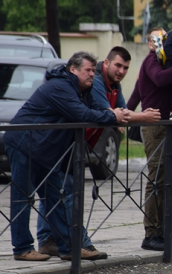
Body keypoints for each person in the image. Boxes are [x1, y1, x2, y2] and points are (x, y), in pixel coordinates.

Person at [37, 46, 162, 259]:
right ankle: (75, 243)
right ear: (107, 63)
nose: (122, 71)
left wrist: (127, 116)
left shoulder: (114, 84)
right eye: (118, 65)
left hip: (79, 142)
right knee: (65, 192)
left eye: (125, 68)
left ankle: (50, 239)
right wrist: (142, 118)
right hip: (65, 140)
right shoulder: (96, 82)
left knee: (60, 191)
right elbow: (109, 113)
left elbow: (121, 111)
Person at [4, 51, 130, 261]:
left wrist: (115, 114)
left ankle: (69, 248)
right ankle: (22, 248)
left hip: (46, 150)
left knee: (55, 198)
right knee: (23, 198)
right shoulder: (60, 87)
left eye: (93, 70)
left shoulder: (82, 89)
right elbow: (82, 114)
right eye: (88, 70)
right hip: (25, 143)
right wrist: (112, 115)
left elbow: (98, 108)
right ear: (73, 69)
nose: (92, 74)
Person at [127, 27, 172, 252]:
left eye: (165, 39)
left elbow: (138, 90)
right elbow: (157, 80)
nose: (162, 42)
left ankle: (165, 232)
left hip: (169, 125)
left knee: (169, 179)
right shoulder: (152, 61)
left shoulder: (165, 62)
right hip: (155, 126)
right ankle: (151, 234)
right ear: (149, 43)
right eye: (158, 39)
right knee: (156, 178)